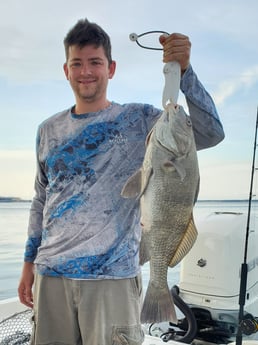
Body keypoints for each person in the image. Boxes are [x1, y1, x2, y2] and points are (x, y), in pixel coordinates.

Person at [18, 18, 224, 345]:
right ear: (66, 70)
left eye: (95, 62)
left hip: (112, 281)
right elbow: (41, 198)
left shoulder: (140, 121)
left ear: (111, 68)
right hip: (50, 278)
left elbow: (211, 132)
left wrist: (184, 73)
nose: (86, 71)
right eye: (77, 63)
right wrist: (29, 262)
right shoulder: (47, 130)